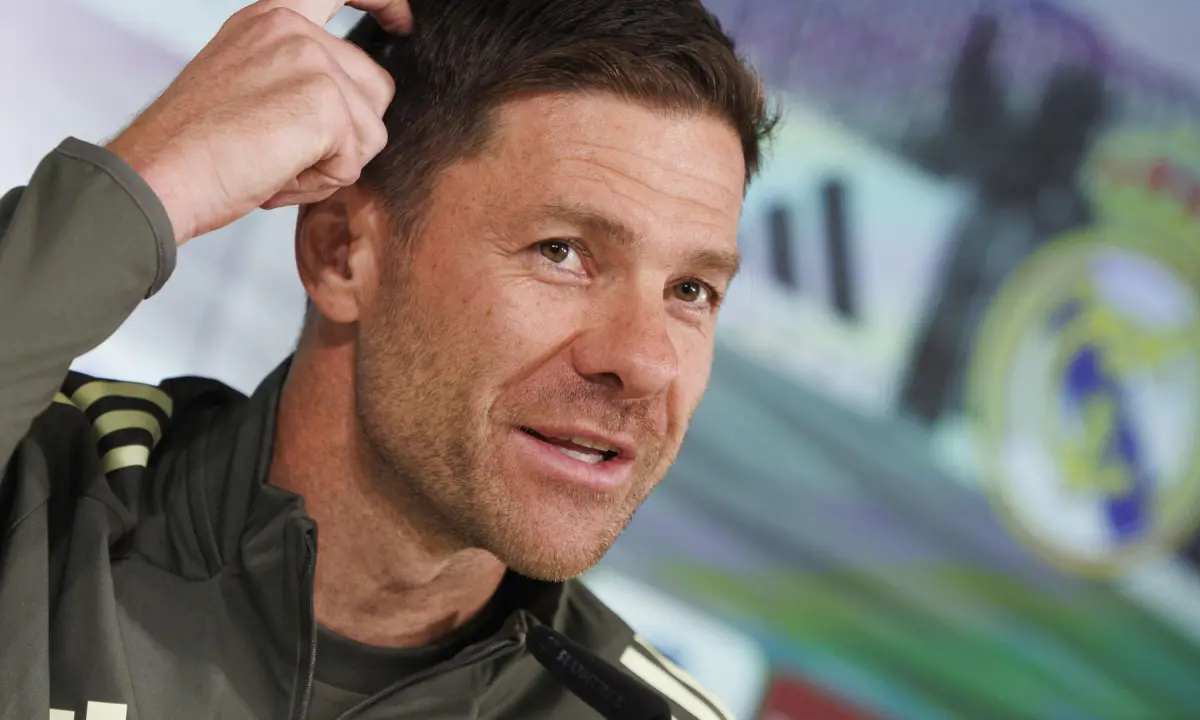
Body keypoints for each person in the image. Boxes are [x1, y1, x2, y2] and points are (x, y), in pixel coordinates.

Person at [0, 0, 777, 718]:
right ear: (341, 252)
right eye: (562, 251)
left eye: (691, 290)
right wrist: (148, 184)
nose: (645, 360)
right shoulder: (39, 493)